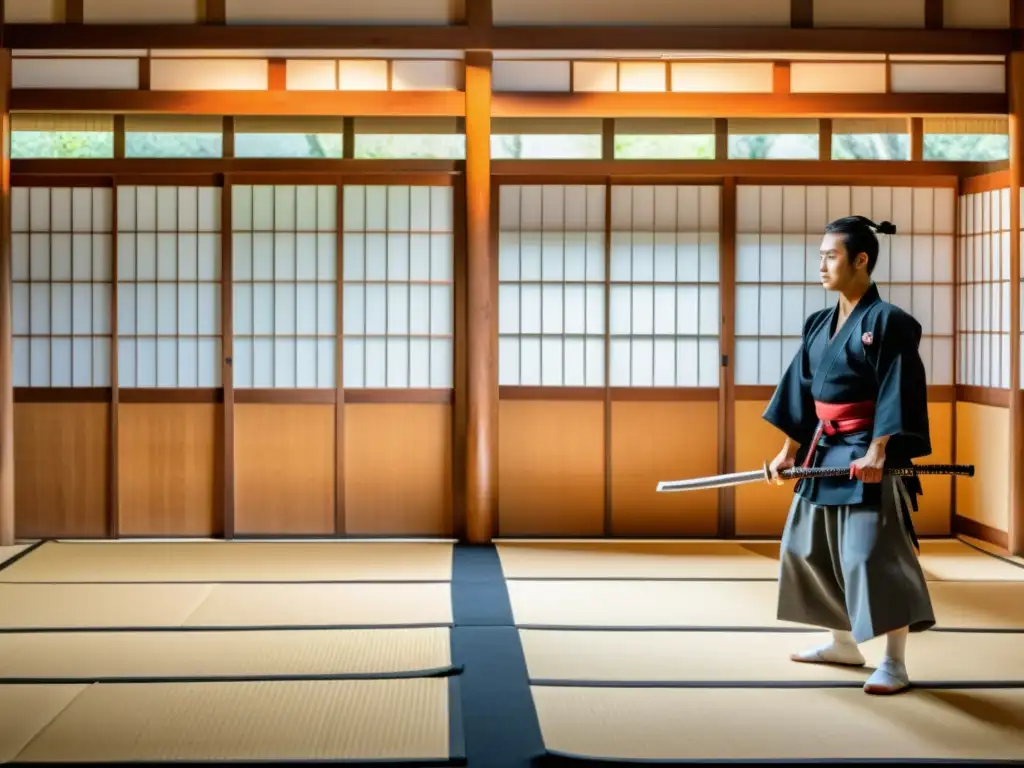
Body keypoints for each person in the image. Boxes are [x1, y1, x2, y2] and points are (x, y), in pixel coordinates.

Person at [762, 215, 936, 696]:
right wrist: (786, 453)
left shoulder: (890, 322)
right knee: (807, 546)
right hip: (824, 449)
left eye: (831, 255)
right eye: (820, 255)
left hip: (865, 453)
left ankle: (895, 662)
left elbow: (897, 390)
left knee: (871, 554)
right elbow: (800, 392)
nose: (821, 264)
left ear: (861, 260)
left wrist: (880, 449)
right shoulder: (819, 324)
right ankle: (842, 642)